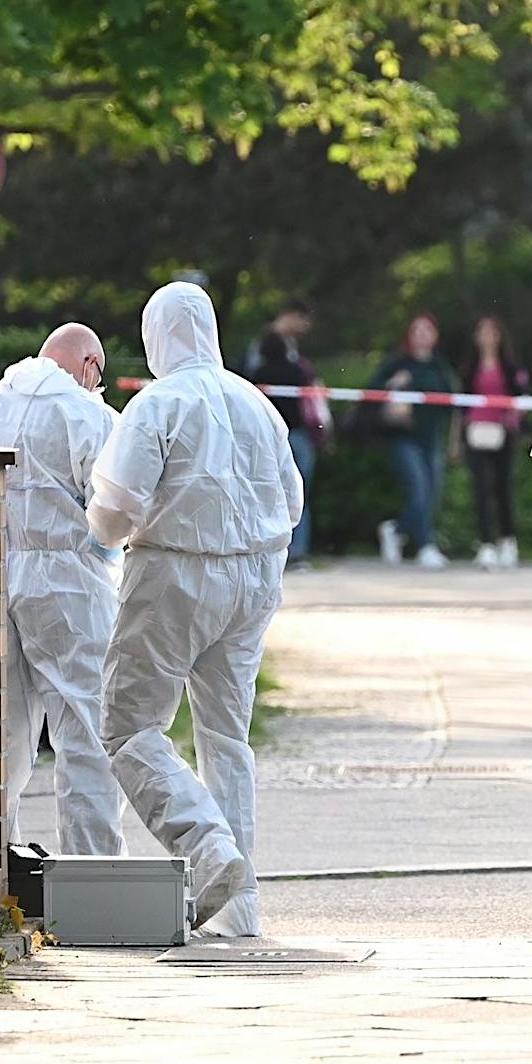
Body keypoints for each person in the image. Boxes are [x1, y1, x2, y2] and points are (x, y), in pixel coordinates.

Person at [88, 283, 303, 938]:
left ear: (157, 337)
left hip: (176, 573)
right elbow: (292, 500)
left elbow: (118, 506)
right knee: (225, 738)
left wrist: (95, 538)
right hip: (255, 578)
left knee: (128, 725)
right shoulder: (257, 403)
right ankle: (240, 914)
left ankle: (207, 850)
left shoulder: (158, 403)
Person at [0, 323, 124, 856]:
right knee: (85, 729)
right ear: (91, 366)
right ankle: (93, 872)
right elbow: (113, 503)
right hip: (70, 582)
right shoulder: (90, 415)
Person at [368, 315, 457, 568]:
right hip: (404, 438)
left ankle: (396, 529)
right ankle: (426, 546)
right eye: (416, 330)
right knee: (419, 488)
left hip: (432, 439)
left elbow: (451, 405)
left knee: (432, 493)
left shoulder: (439, 366)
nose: (421, 334)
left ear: (435, 336)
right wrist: (394, 384)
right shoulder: (398, 363)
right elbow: (372, 390)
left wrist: (453, 441)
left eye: (427, 330)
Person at [247, 323, 328, 568]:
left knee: (263, 495)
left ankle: (266, 550)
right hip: (298, 438)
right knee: (300, 496)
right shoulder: (298, 371)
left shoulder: (258, 374)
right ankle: (299, 551)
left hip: (266, 441)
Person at [464, 316, 528, 570]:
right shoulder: (470, 366)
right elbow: (461, 402)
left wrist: (512, 418)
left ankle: (508, 540)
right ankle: (486, 543)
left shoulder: (510, 365)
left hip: (503, 433)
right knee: (481, 488)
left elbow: (520, 396)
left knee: (503, 487)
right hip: (476, 432)